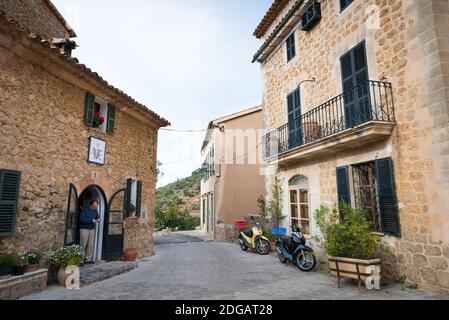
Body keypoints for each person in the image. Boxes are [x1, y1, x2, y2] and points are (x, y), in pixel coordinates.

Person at [79, 199, 100, 265]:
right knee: (83, 244)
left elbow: (97, 216)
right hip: (84, 229)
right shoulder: (85, 209)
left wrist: (98, 218)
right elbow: (81, 219)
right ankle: (80, 260)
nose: (95, 207)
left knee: (90, 245)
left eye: (96, 206)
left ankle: (88, 259)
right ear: (91, 205)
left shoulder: (95, 210)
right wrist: (91, 220)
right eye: (94, 206)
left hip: (92, 229)